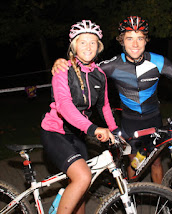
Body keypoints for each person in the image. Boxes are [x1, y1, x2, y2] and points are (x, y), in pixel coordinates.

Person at [51, 16, 172, 183]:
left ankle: (163, 200)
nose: (135, 44)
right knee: (135, 164)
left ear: (146, 41)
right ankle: (133, 196)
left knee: (156, 161)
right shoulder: (112, 65)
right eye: (130, 38)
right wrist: (61, 62)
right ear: (122, 41)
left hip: (154, 119)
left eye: (140, 38)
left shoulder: (158, 61)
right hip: (130, 123)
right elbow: (83, 67)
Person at [41, 20, 118, 214]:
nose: (88, 47)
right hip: (56, 132)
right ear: (74, 46)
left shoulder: (99, 75)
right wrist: (93, 128)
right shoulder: (62, 70)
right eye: (82, 42)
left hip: (78, 135)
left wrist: (116, 131)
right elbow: (65, 106)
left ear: (99, 47)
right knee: (83, 177)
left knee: (82, 190)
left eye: (93, 42)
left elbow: (105, 106)